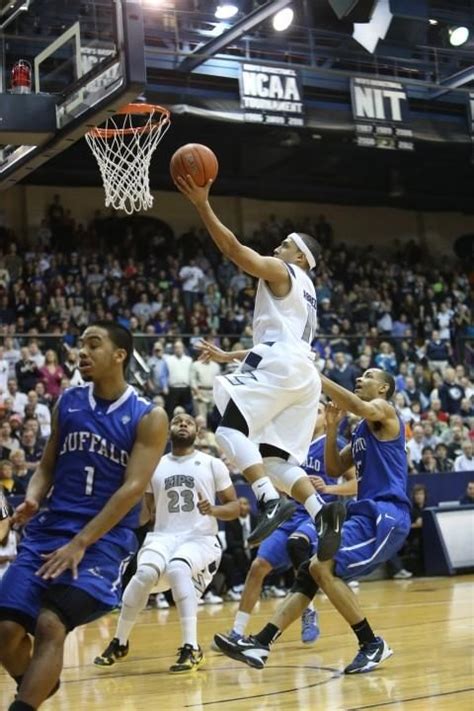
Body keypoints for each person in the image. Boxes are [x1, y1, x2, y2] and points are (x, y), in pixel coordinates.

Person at [0, 322, 168, 711]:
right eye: (82, 345)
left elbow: (131, 490)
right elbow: (46, 463)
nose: (83, 352)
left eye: (95, 344)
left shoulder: (148, 416)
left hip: (103, 543)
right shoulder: (69, 402)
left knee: (50, 624)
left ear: (120, 355)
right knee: (5, 631)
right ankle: (38, 683)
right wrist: (33, 496)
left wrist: (82, 542)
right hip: (51, 529)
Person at [176, 172, 344, 554]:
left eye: (285, 244)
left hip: (282, 367)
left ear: (300, 256)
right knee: (270, 459)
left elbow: (235, 251)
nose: (277, 246)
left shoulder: (285, 271)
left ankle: (269, 501)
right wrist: (230, 356)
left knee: (226, 433)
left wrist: (202, 204)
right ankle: (322, 512)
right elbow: (282, 340)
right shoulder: (309, 291)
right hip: (302, 374)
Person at [214, 369, 411, 675]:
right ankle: (261, 642)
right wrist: (332, 428)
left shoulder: (386, 411)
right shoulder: (361, 431)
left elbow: (361, 408)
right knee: (310, 569)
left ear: (384, 387)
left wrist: (313, 376)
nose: (360, 379)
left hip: (387, 515)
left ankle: (372, 644)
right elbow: (334, 466)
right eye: (359, 376)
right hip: (363, 514)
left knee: (320, 567)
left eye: (368, 376)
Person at [94, 413, 239, 673]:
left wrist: (214, 510)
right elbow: (146, 513)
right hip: (162, 536)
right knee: (145, 572)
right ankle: (120, 641)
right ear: (168, 431)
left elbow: (235, 506)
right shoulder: (155, 465)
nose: (182, 424)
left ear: (197, 430)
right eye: (177, 421)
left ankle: (191, 647)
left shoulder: (212, 463)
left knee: (177, 568)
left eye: (188, 422)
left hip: (200, 537)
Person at [215, 401, 356, 649]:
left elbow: (357, 483)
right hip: (290, 512)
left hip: (316, 515)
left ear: (327, 419)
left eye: (319, 412)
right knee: (258, 566)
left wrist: (329, 487)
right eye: (311, 410)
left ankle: (308, 611)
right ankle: (237, 632)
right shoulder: (290, 443)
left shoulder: (334, 445)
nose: (313, 415)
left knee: (297, 545)